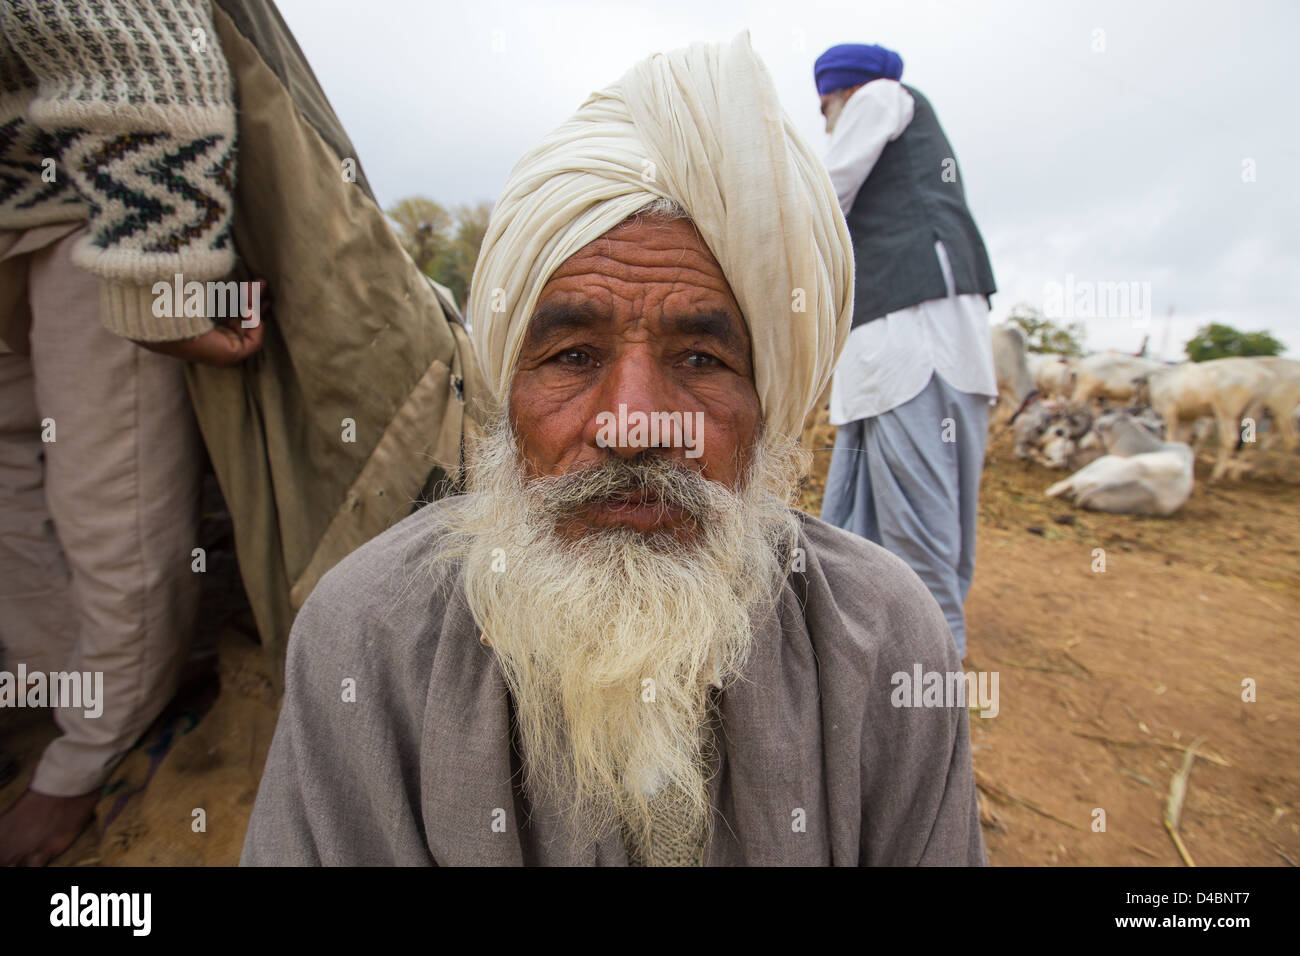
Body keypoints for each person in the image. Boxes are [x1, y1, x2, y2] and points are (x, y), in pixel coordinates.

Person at [241, 33, 986, 867]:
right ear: (508, 392)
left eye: (701, 361)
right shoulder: (366, 638)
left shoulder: (884, 643)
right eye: (573, 357)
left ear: (768, 409)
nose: (633, 425)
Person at [0, 0, 262, 866]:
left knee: (110, 501)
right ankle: (61, 701)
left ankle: (92, 749)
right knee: (11, 484)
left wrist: (157, 274)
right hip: (20, 214)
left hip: (87, 214)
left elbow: (129, 22)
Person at [814, 42, 998, 659]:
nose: (824, 119)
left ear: (841, 92)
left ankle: (932, 685)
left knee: (920, 538)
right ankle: (869, 655)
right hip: (920, 340)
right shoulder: (909, 125)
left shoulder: (880, 97)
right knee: (863, 523)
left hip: (912, 341)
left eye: (824, 106)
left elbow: (825, 192)